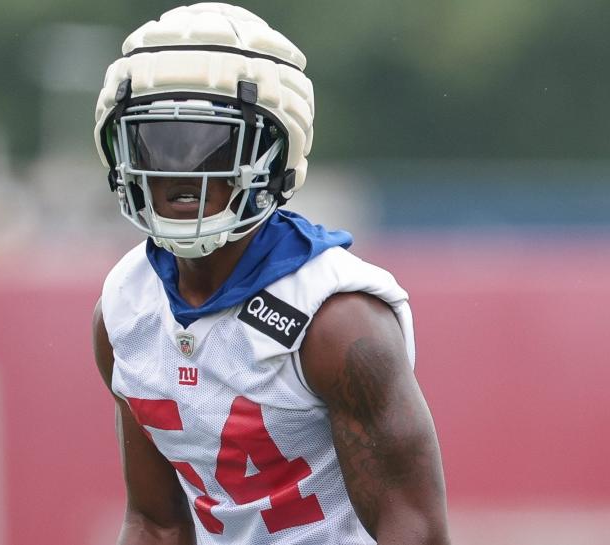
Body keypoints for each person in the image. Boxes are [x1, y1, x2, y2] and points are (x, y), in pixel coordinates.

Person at [91, 4, 450, 544]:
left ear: (272, 152)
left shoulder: (337, 321)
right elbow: (157, 522)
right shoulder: (124, 307)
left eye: (206, 143)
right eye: (155, 141)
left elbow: (415, 531)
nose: (175, 170)